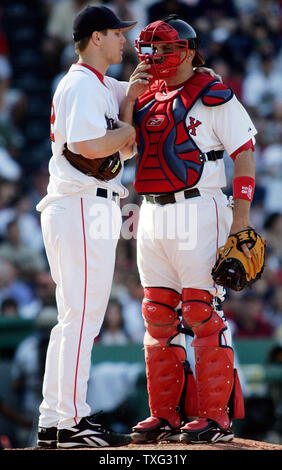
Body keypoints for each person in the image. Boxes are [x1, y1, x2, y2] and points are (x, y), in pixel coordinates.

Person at [120, 15, 258, 444]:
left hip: (202, 206)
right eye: (153, 48)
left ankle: (215, 418)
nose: (157, 56)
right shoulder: (144, 97)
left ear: (189, 51)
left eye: (166, 48)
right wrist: (129, 97)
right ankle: (166, 415)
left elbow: (246, 154)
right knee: (157, 315)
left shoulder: (214, 93)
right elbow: (125, 152)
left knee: (201, 311)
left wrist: (242, 222)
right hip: (152, 212)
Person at [35, 6, 137, 449]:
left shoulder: (98, 84)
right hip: (80, 205)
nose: (123, 41)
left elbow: (133, 90)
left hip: (84, 205)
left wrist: (130, 114)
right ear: (96, 37)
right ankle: (71, 422)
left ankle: (56, 419)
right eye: (117, 33)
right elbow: (85, 144)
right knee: (81, 319)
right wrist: (126, 131)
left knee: (74, 319)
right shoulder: (79, 83)